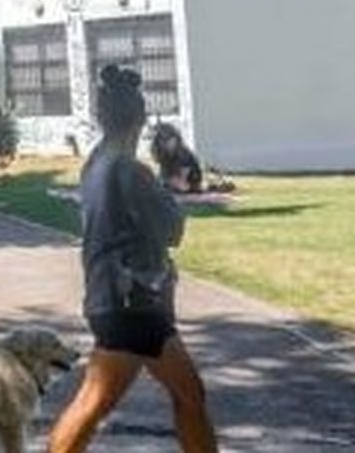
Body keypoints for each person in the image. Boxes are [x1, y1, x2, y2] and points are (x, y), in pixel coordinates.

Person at [48, 65, 219, 453]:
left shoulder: (94, 165)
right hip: (134, 305)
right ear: (139, 120)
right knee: (107, 401)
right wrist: (167, 192)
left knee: (180, 396)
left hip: (115, 299)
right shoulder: (131, 171)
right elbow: (173, 231)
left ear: (101, 118)